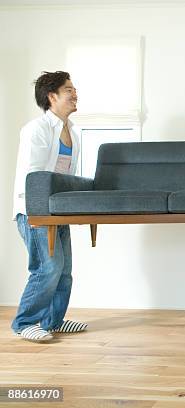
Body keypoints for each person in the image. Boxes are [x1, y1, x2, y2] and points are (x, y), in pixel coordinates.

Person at [11, 71, 88, 342]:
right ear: (51, 96)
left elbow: (67, 176)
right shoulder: (37, 129)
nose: (75, 93)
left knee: (64, 270)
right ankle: (25, 323)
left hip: (58, 210)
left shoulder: (73, 132)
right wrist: (40, 212)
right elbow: (34, 176)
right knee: (47, 268)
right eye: (69, 89)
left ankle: (53, 321)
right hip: (36, 211)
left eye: (75, 88)